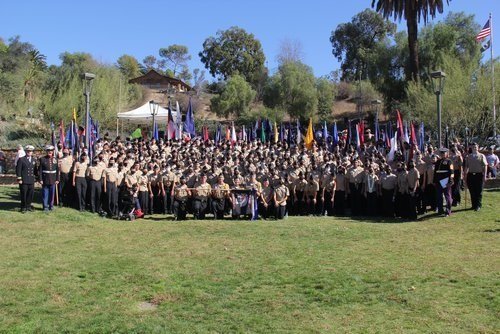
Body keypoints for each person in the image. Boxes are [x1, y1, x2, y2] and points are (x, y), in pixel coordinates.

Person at [464, 143, 488, 211]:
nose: (474, 148)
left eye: (476, 147)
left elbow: (485, 166)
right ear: (471, 148)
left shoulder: (481, 156)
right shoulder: (469, 156)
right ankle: (473, 205)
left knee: (478, 191)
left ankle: (478, 205)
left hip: (479, 175)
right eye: (473, 147)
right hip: (471, 175)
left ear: (478, 147)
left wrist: (485, 176)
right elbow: (466, 166)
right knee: (472, 191)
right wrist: (465, 174)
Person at [37, 145, 59, 212]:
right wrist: (40, 179)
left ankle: (51, 206)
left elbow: (57, 170)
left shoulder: (55, 159)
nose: (50, 152)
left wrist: (57, 179)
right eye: (48, 151)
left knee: (52, 194)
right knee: (45, 193)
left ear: (53, 151)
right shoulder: (42, 159)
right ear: (46, 151)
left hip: (53, 179)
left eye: (51, 151)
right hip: (45, 179)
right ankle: (45, 206)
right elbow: (40, 170)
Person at [16, 145, 36, 213]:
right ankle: (23, 207)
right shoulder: (21, 159)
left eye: (30, 151)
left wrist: (36, 178)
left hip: (31, 180)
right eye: (28, 151)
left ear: (32, 152)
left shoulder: (34, 160)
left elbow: (35, 170)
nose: (29, 152)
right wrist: (19, 179)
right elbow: (18, 170)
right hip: (24, 180)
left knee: (31, 194)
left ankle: (28, 206)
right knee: (23, 194)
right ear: (25, 151)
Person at [433, 148, 453, 216]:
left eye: (444, 153)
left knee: (447, 196)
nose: (442, 154)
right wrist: (434, 181)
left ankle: (448, 211)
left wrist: (450, 180)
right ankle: (440, 210)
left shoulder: (449, 161)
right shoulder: (438, 162)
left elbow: (452, 172)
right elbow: (435, 172)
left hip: (446, 180)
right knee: (439, 196)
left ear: (446, 154)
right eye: (441, 153)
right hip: (438, 181)